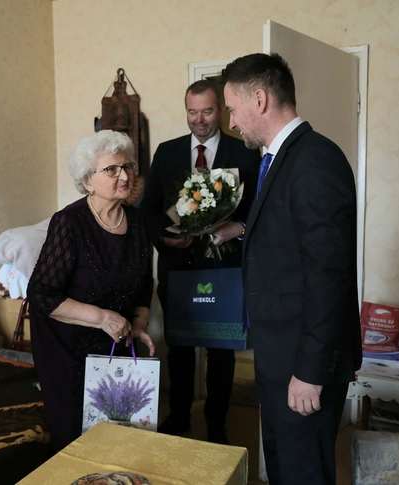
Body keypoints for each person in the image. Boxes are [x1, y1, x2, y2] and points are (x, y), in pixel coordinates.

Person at [221, 53, 361, 484]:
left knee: (303, 474)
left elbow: (327, 274)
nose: (232, 122)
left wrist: (310, 372)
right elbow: (290, 240)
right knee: (283, 469)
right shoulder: (279, 159)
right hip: (280, 354)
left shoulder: (315, 160)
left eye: (232, 109)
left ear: (259, 99)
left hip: (304, 362)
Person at [139, 79, 258, 444]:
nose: (199, 119)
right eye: (192, 112)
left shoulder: (245, 152)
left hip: (224, 268)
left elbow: (259, 209)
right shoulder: (167, 152)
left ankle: (216, 423)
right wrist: (165, 237)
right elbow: (148, 209)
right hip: (177, 267)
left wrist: (236, 228)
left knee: (221, 351)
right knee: (180, 348)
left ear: (220, 110)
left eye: (207, 111)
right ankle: (178, 416)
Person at [28, 130, 156, 452]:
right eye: (111, 169)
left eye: (126, 167)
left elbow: (144, 283)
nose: (124, 176)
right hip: (67, 346)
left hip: (116, 339)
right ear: (87, 181)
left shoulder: (138, 222)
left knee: (120, 432)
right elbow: (41, 293)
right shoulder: (69, 223)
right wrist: (101, 318)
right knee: (76, 436)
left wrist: (139, 323)